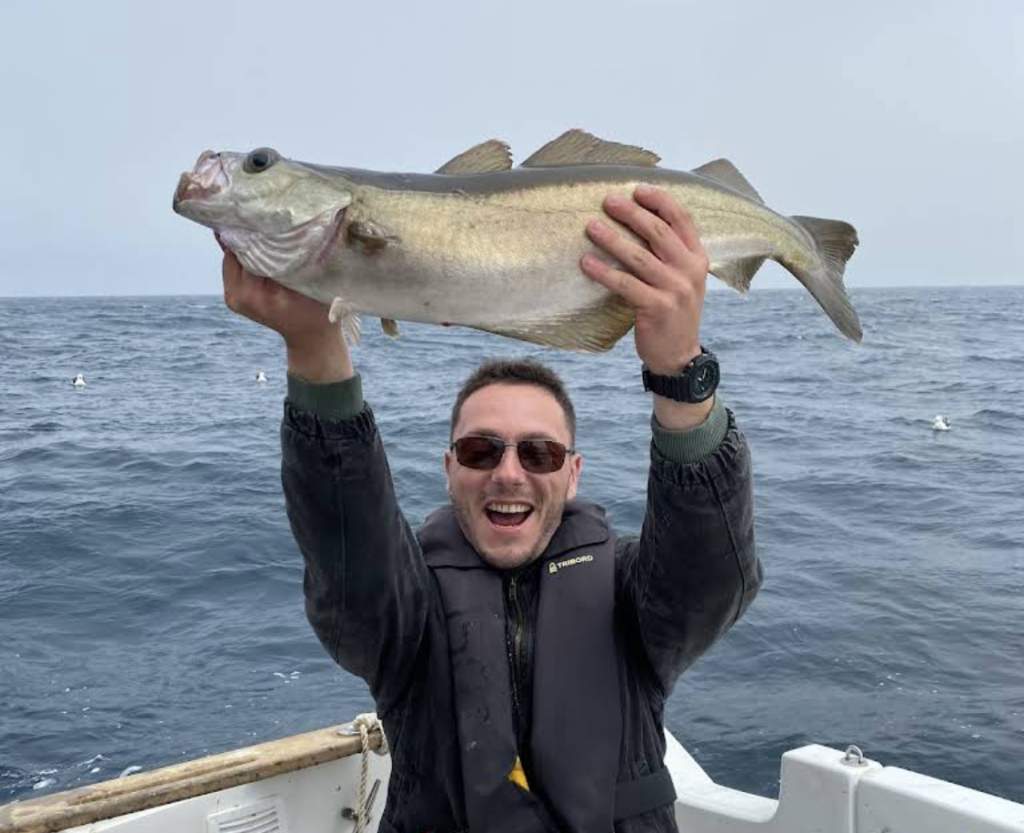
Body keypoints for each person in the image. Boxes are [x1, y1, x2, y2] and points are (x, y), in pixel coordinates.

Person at [221, 186, 762, 833]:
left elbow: (710, 580)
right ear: (450, 469)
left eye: (539, 452)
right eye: (481, 450)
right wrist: (317, 354)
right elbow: (351, 567)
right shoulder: (407, 612)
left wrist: (681, 373)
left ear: (572, 471)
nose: (509, 471)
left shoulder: (629, 595)